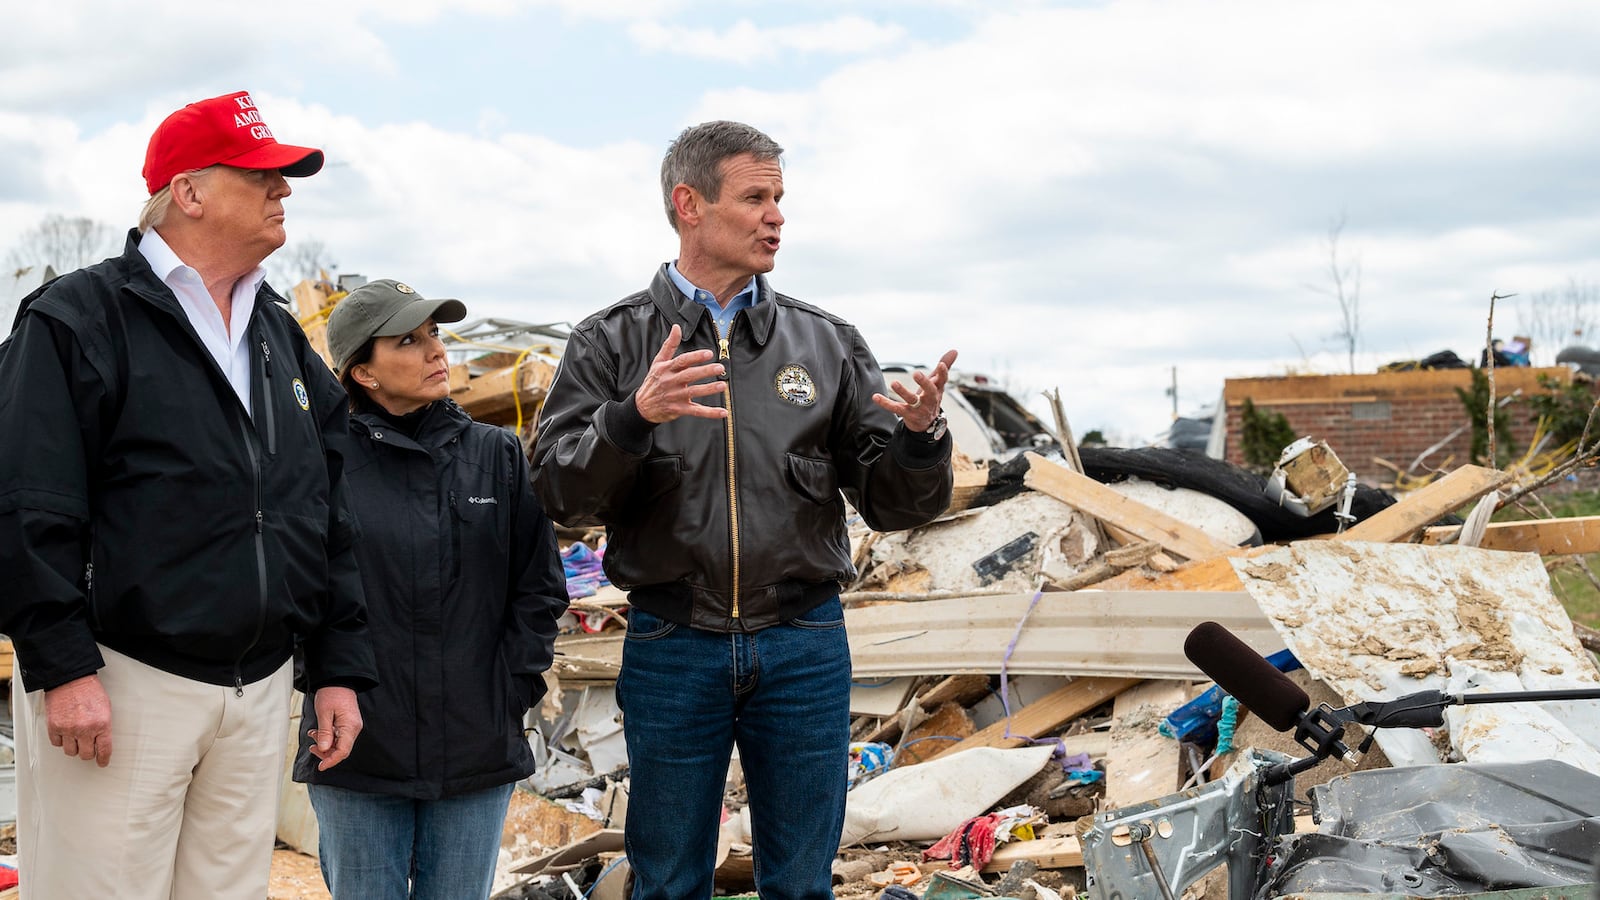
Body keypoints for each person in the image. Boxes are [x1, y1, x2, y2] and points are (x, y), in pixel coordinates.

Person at [532, 120, 959, 900]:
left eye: (780, 199)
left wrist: (922, 441)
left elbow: (894, 506)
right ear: (689, 204)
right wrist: (632, 418)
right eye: (756, 198)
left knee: (800, 884)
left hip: (803, 645)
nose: (777, 218)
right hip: (672, 643)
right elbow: (558, 495)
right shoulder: (610, 343)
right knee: (666, 881)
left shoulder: (826, 344)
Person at [0, 90, 377, 900]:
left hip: (257, 690)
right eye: (262, 176)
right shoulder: (78, 318)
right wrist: (61, 665)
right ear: (189, 192)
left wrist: (338, 667)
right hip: (122, 682)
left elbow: (327, 513)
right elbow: (28, 502)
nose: (285, 192)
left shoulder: (281, 338)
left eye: (286, 179)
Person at [295, 279, 570, 899]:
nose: (435, 351)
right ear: (362, 372)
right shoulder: (322, 462)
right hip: (357, 749)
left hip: (476, 745)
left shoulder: (495, 455)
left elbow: (539, 587)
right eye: (409, 340)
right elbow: (301, 593)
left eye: (435, 335)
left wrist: (512, 688)